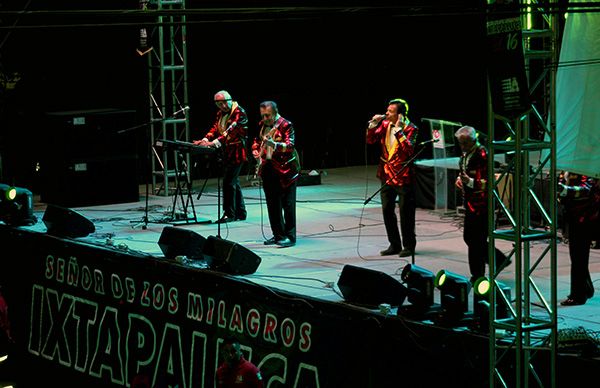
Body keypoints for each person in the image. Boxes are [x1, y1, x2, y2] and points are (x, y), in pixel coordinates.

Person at [454, 126, 510, 284]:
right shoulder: (467, 153)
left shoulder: (482, 154)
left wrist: (469, 182)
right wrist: (461, 179)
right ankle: (498, 260)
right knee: (470, 238)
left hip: (482, 204)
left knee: (476, 239)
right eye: (460, 143)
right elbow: (466, 172)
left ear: (473, 140)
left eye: (464, 143)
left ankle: (478, 274)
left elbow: (488, 182)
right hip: (471, 202)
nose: (462, 146)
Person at [366, 98, 417, 258]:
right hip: (386, 174)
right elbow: (370, 139)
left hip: (403, 175)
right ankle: (394, 244)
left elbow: (409, 150)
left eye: (390, 112)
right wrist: (373, 125)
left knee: (405, 212)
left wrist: (399, 131)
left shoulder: (411, 128)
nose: (386, 113)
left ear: (400, 115)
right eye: (387, 110)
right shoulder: (385, 124)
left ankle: (409, 246)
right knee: (387, 209)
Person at [194, 90, 248, 223]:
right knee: (233, 182)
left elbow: (230, 132)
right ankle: (240, 212)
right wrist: (205, 139)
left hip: (237, 152)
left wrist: (213, 143)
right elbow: (215, 128)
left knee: (228, 182)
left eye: (224, 103)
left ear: (230, 100)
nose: (222, 106)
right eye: (219, 104)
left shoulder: (239, 113)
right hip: (227, 152)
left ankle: (230, 214)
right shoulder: (220, 113)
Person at [251, 101, 300, 248]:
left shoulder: (286, 125)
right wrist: (255, 150)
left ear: (275, 112)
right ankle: (278, 234)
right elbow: (256, 140)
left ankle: (290, 236)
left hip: (286, 170)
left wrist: (274, 145)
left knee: (288, 204)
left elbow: (290, 146)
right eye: (263, 115)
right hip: (268, 168)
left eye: (268, 115)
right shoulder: (262, 125)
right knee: (272, 204)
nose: (265, 118)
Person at [558, 171, 599, 306]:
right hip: (575, 214)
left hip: (585, 216)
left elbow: (587, 189)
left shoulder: (586, 166)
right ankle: (584, 289)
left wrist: (564, 190)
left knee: (578, 255)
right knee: (577, 256)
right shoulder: (572, 166)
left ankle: (579, 294)